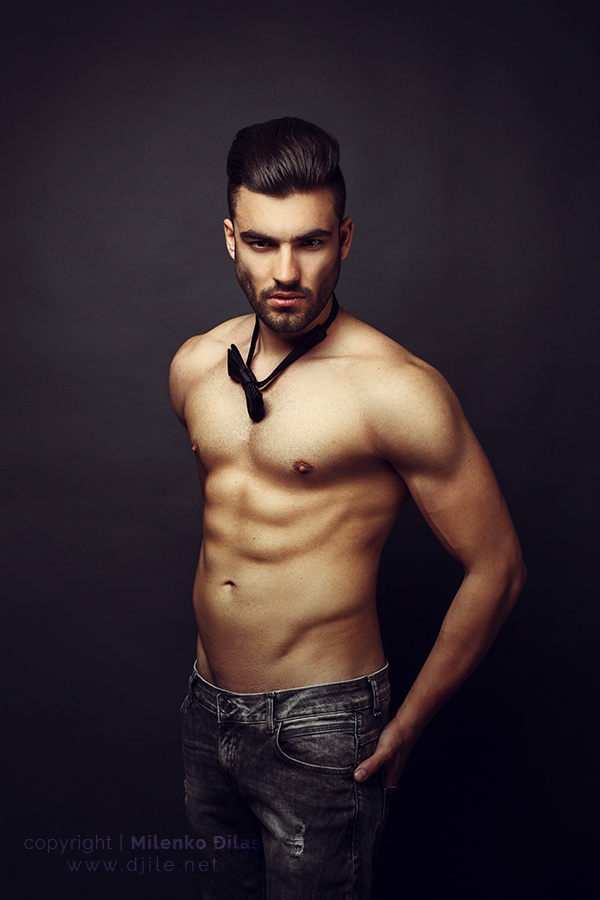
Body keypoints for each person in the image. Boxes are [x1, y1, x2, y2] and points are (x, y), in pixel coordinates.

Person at [169, 116, 526, 899]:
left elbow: (497, 566)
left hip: (321, 726)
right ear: (230, 238)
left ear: (347, 238)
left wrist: (409, 722)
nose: (286, 269)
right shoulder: (196, 364)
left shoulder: (396, 389)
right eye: (262, 243)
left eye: (312, 241)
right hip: (205, 712)